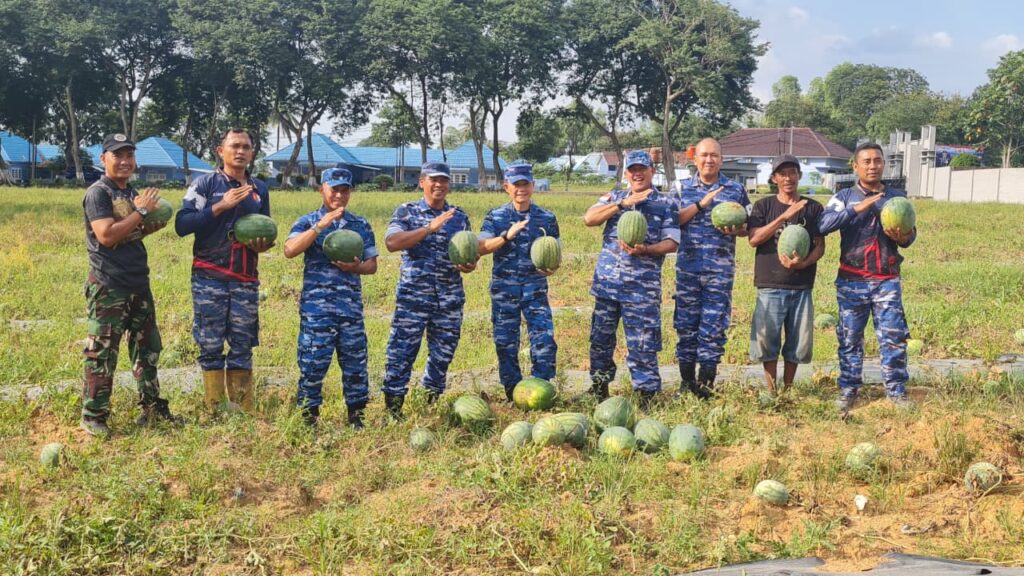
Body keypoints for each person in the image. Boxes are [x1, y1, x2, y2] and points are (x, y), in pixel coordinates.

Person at [80, 133, 182, 437]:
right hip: (109, 286)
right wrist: (142, 213)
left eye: (129, 155)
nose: (124, 161)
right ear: (104, 159)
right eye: (117, 155)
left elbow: (130, 234)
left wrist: (149, 224)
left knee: (147, 348)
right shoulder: (98, 193)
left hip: (139, 283)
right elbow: (107, 236)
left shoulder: (132, 192)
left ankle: (152, 410)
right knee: (102, 352)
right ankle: (94, 415)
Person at [175, 129, 272, 415]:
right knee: (211, 344)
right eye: (234, 146)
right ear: (221, 150)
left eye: (246, 147)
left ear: (252, 153)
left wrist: (263, 244)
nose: (240, 151)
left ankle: (243, 409)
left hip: (244, 279)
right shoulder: (204, 184)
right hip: (209, 278)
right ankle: (214, 410)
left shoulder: (259, 190)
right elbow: (183, 225)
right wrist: (221, 206)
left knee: (243, 344)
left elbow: (265, 229)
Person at [818, 143, 917, 414]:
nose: (872, 166)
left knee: (893, 338)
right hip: (852, 280)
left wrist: (904, 237)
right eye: (867, 161)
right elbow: (824, 225)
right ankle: (848, 389)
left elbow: (911, 236)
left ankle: (896, 391)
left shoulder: (897, 198)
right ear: (855, 166)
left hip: (886, 279)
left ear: (883, 164)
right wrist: (859, 208)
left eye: (877, 161)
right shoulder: (844, 196)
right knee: (850, 339)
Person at [583, 150, 679, 407]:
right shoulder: (613, 197)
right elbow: (589, 218)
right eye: (632, 169)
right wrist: (620, 205)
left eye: (643, 169)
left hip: (642, 288)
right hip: (607, 286)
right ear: (626, 173)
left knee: (643, 342)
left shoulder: (665, 202)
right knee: (601, 339)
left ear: (652, 171)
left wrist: (646, 249)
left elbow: (672, 242)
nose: (637, 173)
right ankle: (599, 386)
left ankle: (647, 392)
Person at [283, 168, 377, 428]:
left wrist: (354, 268)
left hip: (350, 311)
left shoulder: (360, 224)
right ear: (321, 189)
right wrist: (319, 226)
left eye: (344, 189)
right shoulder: (307, 221)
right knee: (313, 364)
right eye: (333, 188)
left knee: (356, 366)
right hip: (317, 310)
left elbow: (372, 265)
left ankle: (357, 419)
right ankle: (307, 420)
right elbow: (289, 249)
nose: (339, 194)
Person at [380, 162, 475, 419]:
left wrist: (468, 264)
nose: (439, 185)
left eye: (444, 181)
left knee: (443, 355)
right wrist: (428, 229)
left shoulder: (459, 217)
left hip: (449, 299)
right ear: (422, 182)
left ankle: (429, 403)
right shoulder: (407, 212)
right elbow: (392, 242)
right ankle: (393, 410)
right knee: (401, 352)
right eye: (433, 180)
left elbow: (468, 257)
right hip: (414, 298)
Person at [673, 137, 750, 398]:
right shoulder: (682, 188)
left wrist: (739, 229)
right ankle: (686, 384)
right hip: (688, 270)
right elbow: (673, 221)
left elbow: (748, 225)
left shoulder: (735, 190)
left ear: (722, 159)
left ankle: (706, 386)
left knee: (714, 326)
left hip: (720, 272)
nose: (709, 160)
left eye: (714, 156)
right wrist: (700, 205)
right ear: (695, 158)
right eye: (704, 155)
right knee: (685, 325)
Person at [478, 163, 560, 401]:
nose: (521, 189)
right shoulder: (497, 216)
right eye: (516, 184)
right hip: (505, 290)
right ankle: (513, 393)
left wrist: (552, 268)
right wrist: (506, 236)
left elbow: (555, 254)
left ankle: (541, 389)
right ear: (507, 187)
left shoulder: (546, 218)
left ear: (533, 186)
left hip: (535, 289)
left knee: (544, 339)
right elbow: (480, 247)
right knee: (505, 342)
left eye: (526, 184)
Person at [746, 155, 826, 394]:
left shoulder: (813, 208)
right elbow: (753, 239)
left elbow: (820, 246)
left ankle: (788, 389)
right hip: (770, 284)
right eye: (782, 174)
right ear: (774, 178)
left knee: (797, 344)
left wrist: (804, 264)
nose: (788, 178)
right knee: (767, 342)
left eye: (793, 172)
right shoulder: (763, 206)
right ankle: (772, 392)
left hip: (801, 285)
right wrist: (784, 215)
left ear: (799, 176)